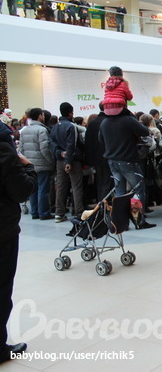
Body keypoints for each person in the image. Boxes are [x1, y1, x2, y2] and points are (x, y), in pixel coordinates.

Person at [0, 121, 37, 364]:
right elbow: (22, 190)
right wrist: (29, 167)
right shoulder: (4, 148)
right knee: (2, 287)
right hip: (2, 229)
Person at [50, 102, 85, 222]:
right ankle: (79, 213)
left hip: (60, 160)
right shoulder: (71, 126)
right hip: (72, 161)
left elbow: (52, 143)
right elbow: (71, 145)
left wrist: (60, 153)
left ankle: (59, 213)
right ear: (70, 113)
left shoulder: (55, 127)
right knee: (76, 187)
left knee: (61, 187)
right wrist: (68, 160)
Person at [17, 108, 54, 220]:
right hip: (42, 164)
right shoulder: (42, 130)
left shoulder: (24, 130)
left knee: (33, 189)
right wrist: (50, 161)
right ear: (39, 116)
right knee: (43, 189)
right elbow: (45, 149)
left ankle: (35, 212)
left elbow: (21, 149)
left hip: (30, 164)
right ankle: (44, 213)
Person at [84, 102, 112, 201]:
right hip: (109, 155)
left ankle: (101, 202)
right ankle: (105, 202)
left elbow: (88, 142)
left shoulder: (93, 122)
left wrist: (89, 159)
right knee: (107, 181)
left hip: (96, 158)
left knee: (100, 181)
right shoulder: (109, 121)